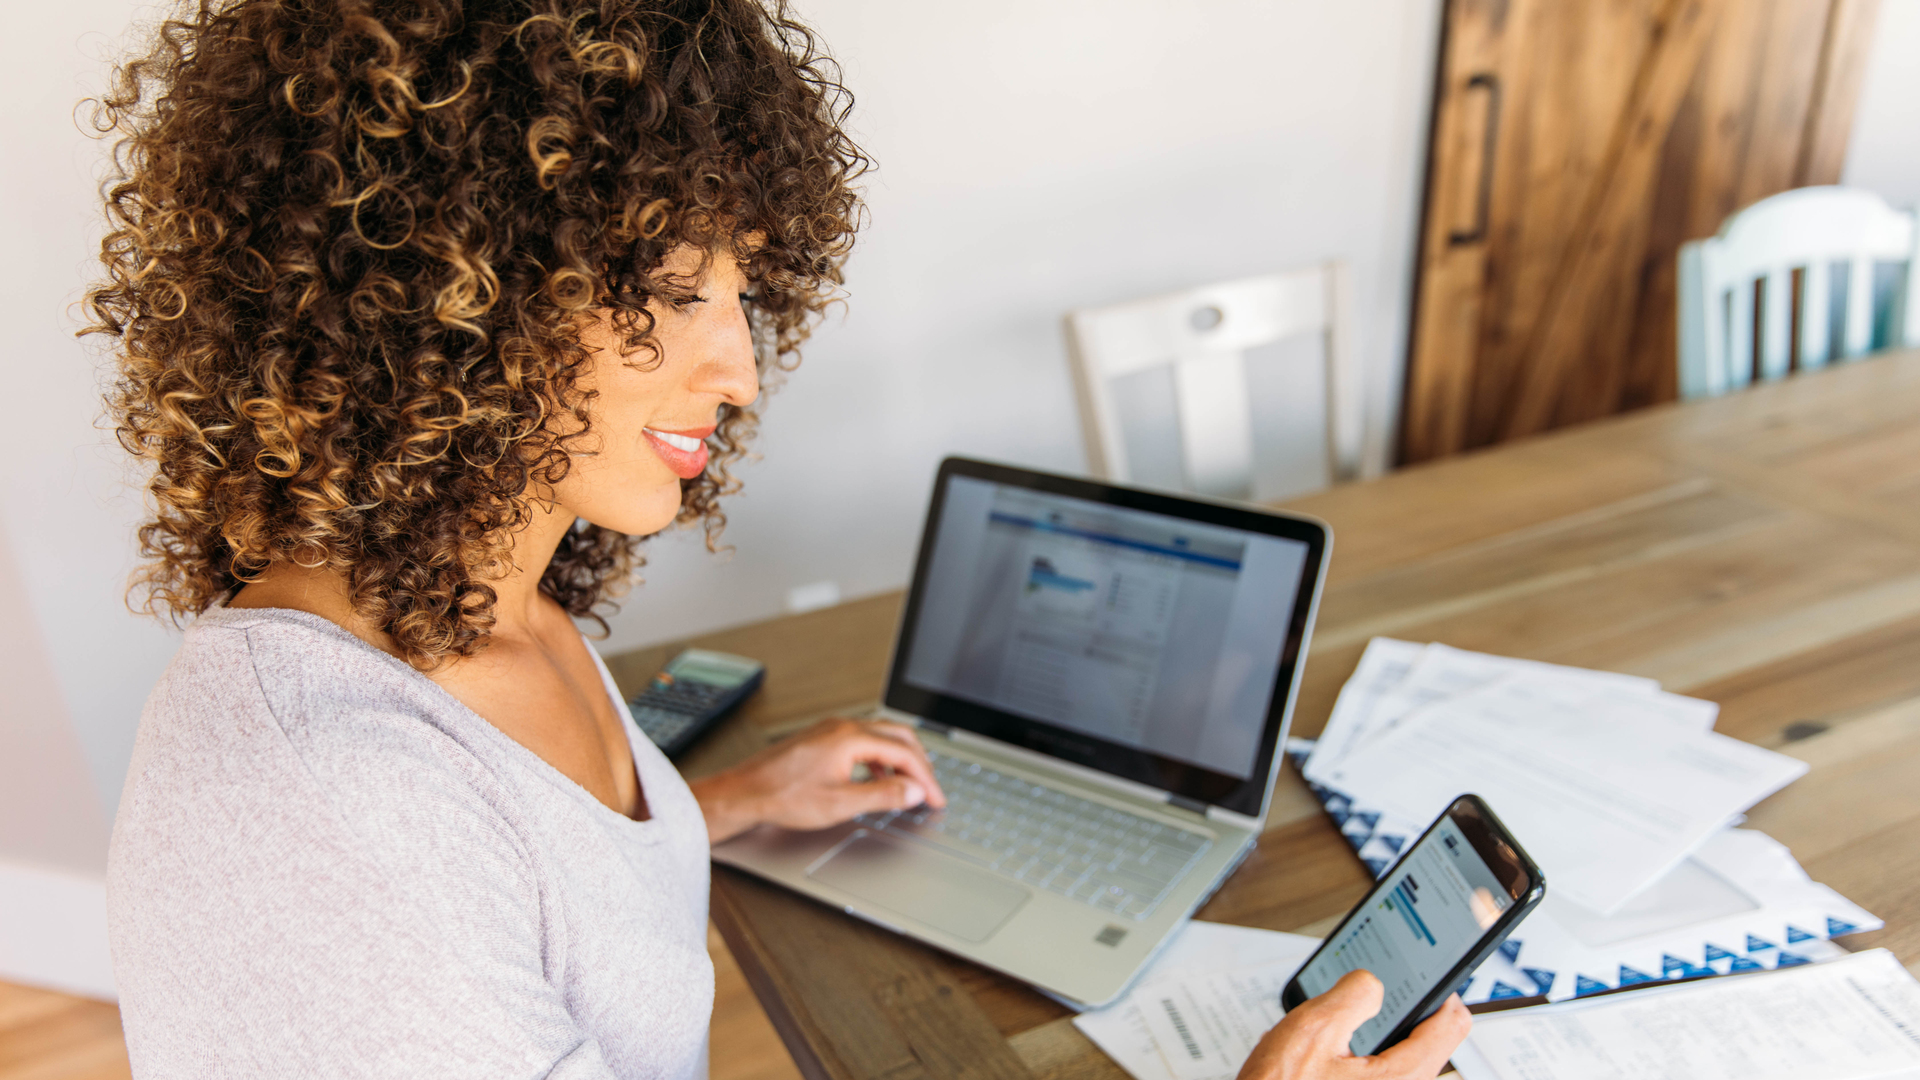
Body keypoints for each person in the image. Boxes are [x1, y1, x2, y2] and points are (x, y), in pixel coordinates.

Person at [86, 0, 1472, 1076]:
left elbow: (528, 882)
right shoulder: (319, 811)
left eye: (744, 291)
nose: (741, 371)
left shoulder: (488, 603)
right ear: (445, 290)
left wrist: (718, 808)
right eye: (678, 287)